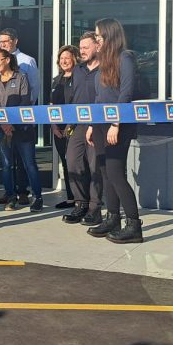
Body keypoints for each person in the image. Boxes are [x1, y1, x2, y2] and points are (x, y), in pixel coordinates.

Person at [86, 18, 143, 244]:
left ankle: (133, 224)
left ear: (109, 36)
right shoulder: (103, 62)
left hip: (118, 125)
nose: (96, 40)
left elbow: (125, 94)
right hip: (100, 124)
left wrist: (116, 123)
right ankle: (112, 218)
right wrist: (92, 125)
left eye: (99, 36)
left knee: (116, 172)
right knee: (105, 172)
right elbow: (100, 98)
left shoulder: (125, 58)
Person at [0, 28, 41, 208]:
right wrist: (3, 122)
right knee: (6, 163)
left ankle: (25, 193)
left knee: (25, 162)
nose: (3, 44)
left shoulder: (26, 63)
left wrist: (20, 118)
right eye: (0, 42)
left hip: (21, 122)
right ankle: (10, 193)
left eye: (6, 41)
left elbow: (32, 92)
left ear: (15, 41)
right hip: (3, 124)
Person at [62, 32, 104, 226]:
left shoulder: (106, 69)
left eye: (86, 47)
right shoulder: (78, 70)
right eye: (81, 48)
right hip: (78, 124)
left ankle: (95, 209)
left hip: (98, 123)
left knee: (95, 166)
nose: (83, 51)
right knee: (73, 161)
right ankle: (81, 203)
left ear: (97, 46)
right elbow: (73, 97)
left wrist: (95, 125)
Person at [50, 45, 79, 210]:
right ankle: (70, 198)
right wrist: (54, 126)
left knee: (76, 163)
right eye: (61, 58)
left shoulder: (78, 79)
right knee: (66, 163)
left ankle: (82, 198)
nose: (64, 61)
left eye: (67, 58)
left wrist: (69, 126)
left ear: (74, 59)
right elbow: (52, 106)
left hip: (74, 128)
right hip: (58, 130)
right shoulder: (56, 80)